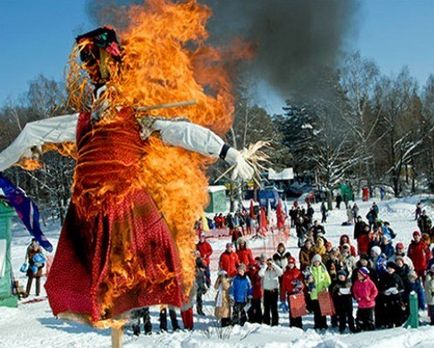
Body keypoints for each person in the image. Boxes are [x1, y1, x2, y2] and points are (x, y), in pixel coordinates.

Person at [305, 254, 331, 330]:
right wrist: (308, 283)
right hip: (314, 293)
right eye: (315, 261)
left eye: (318, 261)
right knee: (316, 311)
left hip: (322, 293)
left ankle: (324, 324)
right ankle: (317, 324)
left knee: (322, 310)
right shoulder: (310, 270)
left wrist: (325, 286)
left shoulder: (323, 270)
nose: (317, 263)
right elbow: (306, 281)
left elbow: (328, 280)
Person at [377, 262, 405, 328]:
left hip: (396, 298)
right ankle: (389, 323)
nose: (390, 270)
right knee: (388, 311)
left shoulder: (397, 277)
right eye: (388, 268)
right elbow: (380, 287)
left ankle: (398, 322)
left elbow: (402, 287)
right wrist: (384, 291)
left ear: (394, 269)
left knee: (397, 310)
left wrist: (398, 291)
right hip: (387, 298)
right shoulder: (383, 277)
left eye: (391, 268)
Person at [280, 257, 304, 328]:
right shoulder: (285, 273)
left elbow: (302, 283)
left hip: (297, 293)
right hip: (290, 294)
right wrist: (282, 297)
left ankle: (299, 325)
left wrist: (300, 287)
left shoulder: (298, 272)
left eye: (292, 263)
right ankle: (292, 324)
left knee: (298, 310)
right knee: (292, 310)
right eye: (289, 263)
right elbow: (283, 286)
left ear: (294, 264)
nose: (291, 265)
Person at [352, 267, 378, 332]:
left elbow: (375, 291)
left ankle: (369, 327)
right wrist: (357, 297)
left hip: (369, 304)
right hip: (361, 303)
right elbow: (354, 291)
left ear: (364, 275)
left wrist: (370, 297)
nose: (358, 276)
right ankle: (360, 326)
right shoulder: (357, 282)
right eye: (358, 275)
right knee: (360, 317)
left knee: (369, 317)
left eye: (360, 275)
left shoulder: (370, 282)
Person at [259, 258, 283, 326]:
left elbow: (281, 272)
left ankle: (275, 322)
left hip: (274, 291)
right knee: (266, 307)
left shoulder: (275, 271)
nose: (269, 265)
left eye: (270, 264)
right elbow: (260, 274)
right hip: (266, 291)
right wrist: (265, 266)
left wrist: (273, 264)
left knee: (274, 307)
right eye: (268, 264)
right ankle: (266, 322)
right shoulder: (265, 271)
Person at [247, 256, 264, 324]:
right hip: (251, 291)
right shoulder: (249, 271)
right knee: (250, 306)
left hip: (258, 291)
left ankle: (258, 318)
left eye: (258, 261)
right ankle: (251, 318)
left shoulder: (260, 270)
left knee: (258, 306)